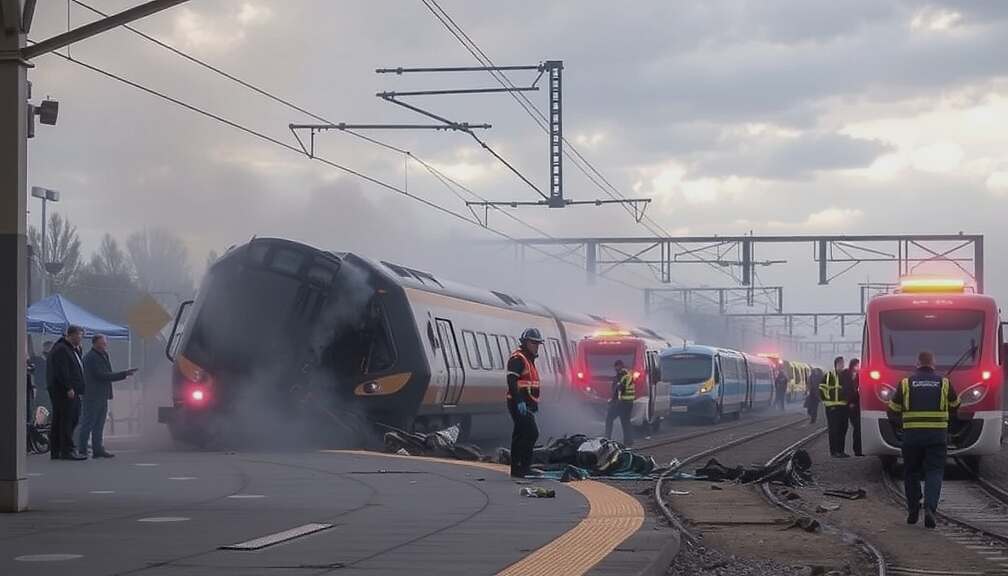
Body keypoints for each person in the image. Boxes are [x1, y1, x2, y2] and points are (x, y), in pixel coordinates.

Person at [888, 351, 960, 529]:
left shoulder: (906, 383)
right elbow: (956, 405)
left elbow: (892, 409)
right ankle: (930, 508)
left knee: (911, 472)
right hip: (937, 437)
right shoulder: (944, 383)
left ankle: (913, 509)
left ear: (917, 363)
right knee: (934, 472)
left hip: (912, 437)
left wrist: (900, 425)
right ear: (933, 364)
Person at [78, 334, 137, 458]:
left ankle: (98, 448)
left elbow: (107, 374)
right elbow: (102, 375)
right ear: (95, 343)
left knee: (99, 423)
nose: (105, 345)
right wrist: (123, 374)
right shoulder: (91, 358)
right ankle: (82, 449)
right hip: (92, 395)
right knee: (88, 423)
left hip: (102, 394)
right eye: (102, 343)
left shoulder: (103, 355)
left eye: (105, 343)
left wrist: (121, 375)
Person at [506, 328, 543, 478]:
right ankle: (523, 467)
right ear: (525, 342)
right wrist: (519, 400)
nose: (536, 346)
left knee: (520, 434)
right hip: (518, 403)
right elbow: (512, 380)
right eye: (533, 343)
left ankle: (517, 468)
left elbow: (530, 384)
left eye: (538, 343)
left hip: (526, 404)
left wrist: (534, 404)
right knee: (531, 433)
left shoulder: (529, 360)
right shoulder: (518, 359)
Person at [47, 326, 87, 460]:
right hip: (64, 391)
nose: (81, 338)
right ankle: (67, 450)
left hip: (72, 390)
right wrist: (68, 387)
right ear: (71, 335)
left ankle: (57, 449)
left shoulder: (72, 349)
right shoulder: (61, 349)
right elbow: (61, 370)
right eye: (79, 335)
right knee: (68, 419)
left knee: (63, 418)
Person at [820, 356, 850, 458]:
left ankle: (841, 451)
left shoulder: (846, 376)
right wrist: (828, 403)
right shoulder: (829, 376)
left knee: (843, 429)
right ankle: (834, 452)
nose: (842, 365)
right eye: (840, 363)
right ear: (836, 364)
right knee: (834, 430)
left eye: (843, 363)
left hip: (844, 407)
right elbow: (822, 390)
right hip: (832, 408)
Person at [604, 359, 635, 447]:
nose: (616, 368)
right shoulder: (628, 375)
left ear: (620, 366)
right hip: (629, 402)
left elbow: (619, 390)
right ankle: (628, 441)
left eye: (616, 366)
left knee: (609, 419)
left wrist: (613, 401)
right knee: (625, 421)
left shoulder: (622, 376)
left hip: (621, 402)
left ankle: (607, 439)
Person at [842, 358, 863, 456]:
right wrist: (849, 402)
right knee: (847, 427)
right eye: (857, 365)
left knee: (858, 427)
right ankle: (842, 450)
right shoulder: (845, 374)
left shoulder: (860, 375)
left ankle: (858, 450)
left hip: (857, 405)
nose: (858, 367)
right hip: (847, 405)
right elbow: (845, 389)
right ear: (852, 365)